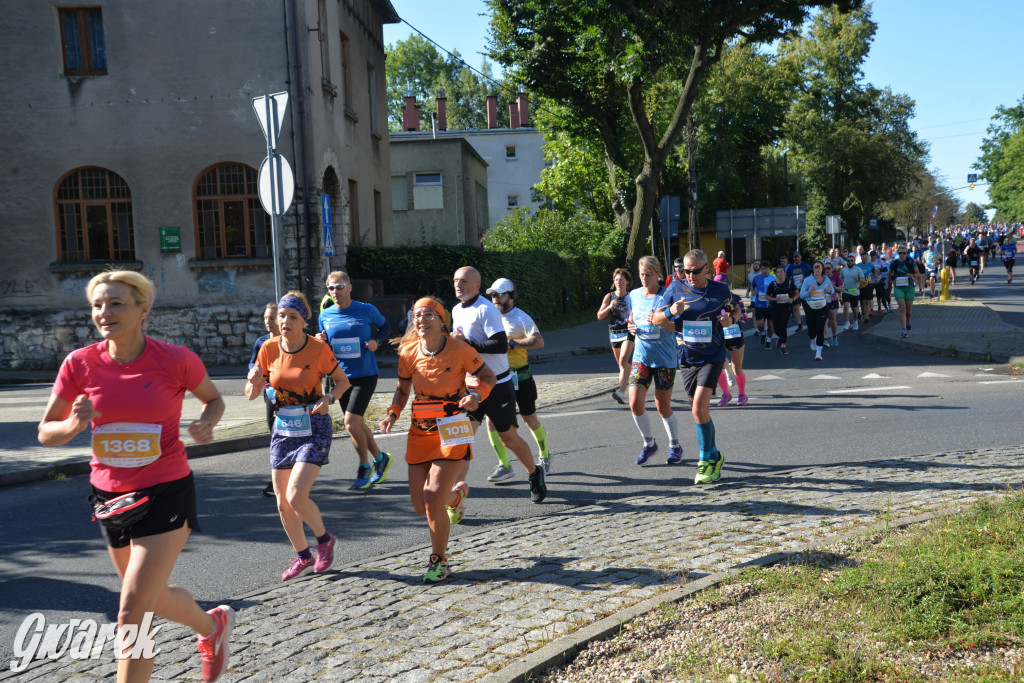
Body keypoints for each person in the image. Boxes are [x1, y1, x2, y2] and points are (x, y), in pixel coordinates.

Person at [38, 270, 233, 683]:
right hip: (109, 498)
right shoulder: (80, 363)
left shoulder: (175, 360)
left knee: (131, 609)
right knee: (151, 596)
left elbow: (214, 399)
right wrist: (72, 427)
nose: (104, 313)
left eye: (116, 304)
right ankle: (212, 627)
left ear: (144, 309)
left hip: (166, 490)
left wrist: (206, 422)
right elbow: (45, 432)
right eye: (97, 305)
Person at [379, 297, 497, 582]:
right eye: (417, 315)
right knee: (421, 505)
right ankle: (455, 497)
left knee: (432, 499)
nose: (421, 319)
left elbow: (488, 375)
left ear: (442, 321)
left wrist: (477, 395)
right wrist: (393, 412)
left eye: (429, 315)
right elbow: (402, 388)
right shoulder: (408, 351)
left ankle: (439, 560)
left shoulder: (459, 349)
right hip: (420, 431)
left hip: (452, 426)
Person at [247, 291, 351, 581]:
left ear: (303, 321)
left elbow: (343, 382)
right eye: (281, 316)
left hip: (314, 425)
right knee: (282, 502)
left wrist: (329, 398)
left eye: (292, 317)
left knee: (295, 495)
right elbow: (252, 393)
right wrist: (254, 382)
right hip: (283, 429)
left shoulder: (318, 349)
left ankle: (324, 539)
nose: (285, 321)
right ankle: (304, 556)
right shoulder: (267, 348)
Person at [451, 266, 547, 502]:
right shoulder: (455, 310)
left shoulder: (486, 310)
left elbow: (499, 344)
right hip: (471, 386)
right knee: (462, 439)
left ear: (476, 285)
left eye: (464, 281)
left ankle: (535, 474)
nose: (458, 285)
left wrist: (467, 343)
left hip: (497, 384)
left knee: (509, 438)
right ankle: (456, 492)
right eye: (455, 281)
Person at [653, 249, 739, 484]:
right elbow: (656, 319)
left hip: (713, 355)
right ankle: (715, 456)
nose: (690, 276)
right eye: (685, 271)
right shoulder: (676, 288)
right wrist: (671, 312)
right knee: (699, 411)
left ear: (706, 270)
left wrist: (730, 320)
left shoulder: (720, 290)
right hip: (687, 358)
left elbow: (737, 309)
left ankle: (704, 462)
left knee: (700, 407)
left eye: (695, 271)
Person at [317, 270, 394, 490]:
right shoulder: (326, 315)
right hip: (341, 379)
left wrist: (377, 341)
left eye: (340, 286)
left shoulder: (366, 309)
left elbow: (385, 327)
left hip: (365, 375)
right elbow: (323, 343)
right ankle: (380, 459)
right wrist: (320, 340)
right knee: (358, 424)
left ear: (350, 287)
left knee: (351, 423)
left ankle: (364, 466)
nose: (335, 291)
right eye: (331, 288)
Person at [486, 278, 553, 474]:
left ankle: (545, 454)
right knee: (492, 421)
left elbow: (539, 341)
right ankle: (504, 465)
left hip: (521, 377)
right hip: (497, 378)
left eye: (499, 294)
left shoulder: (520, 317)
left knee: (529, 419)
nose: (495, 299)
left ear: (511, 296)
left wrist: (513, 344)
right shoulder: (489, 316)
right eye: (492, 295)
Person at [626, 255, 683, 465]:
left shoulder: (668, 296)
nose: (644, 279)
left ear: (658, 275)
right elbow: (631, 319)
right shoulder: (633, 295)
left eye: (648, 275)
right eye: (641, 275)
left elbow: (679, 327)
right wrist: (630, 327)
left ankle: (675, 446)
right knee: (634, 403)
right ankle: (649, 444)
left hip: (664, 359)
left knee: (662, 406)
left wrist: (661, 323)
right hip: (641, 357)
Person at [250, 303, 279, 498]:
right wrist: (253, 371)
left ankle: (278, 479)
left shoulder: (289, 341)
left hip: (290, 394)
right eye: (266, 318)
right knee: (274, 432)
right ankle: (280, 476)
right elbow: (253, 361)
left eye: (271, 318)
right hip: (269, 393)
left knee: (286, 433)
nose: (268, 322)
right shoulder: (261, 342)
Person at [596, 268, 634, 405]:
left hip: (628, 332)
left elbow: (636, 312)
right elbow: (599, 316)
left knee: (623, 362)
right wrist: (609, 307)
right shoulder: (609, 296)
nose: (619, 282)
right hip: (614, 333)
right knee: (622, 366)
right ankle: (636, 377)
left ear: (627, 282)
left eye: (621, 280)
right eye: (616, 280)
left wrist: (632, 319)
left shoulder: (632, 296)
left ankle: (621, 393)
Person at [713, 274, 747, 406]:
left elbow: (742, 315)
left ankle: (742, 394)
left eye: (723, 283)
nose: (720, 286)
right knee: (717, 364)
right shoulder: (713, 299)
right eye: (718, 283)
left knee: (737, 367)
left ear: (727, 284)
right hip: (718, 334)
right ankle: (726, 394)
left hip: (734, 334)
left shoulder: (736, 298)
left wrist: (738, 316)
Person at [800, 261, 836, 361]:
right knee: (811, 329)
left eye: (819, 267)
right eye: (816, 267)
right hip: (810, 306)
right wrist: (810, 291)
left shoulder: (826, 279)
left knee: (820, 329)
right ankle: (812, 339)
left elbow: (832, 291)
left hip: (822, 306)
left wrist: (830, 291)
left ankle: (819, 352)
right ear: (813, 269)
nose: (818, 269)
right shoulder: (807, 280)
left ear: (822, 269)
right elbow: (802, 295)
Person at [889, 246, 921, 338]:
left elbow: (918, 275)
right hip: (898, 288)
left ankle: (908, 320)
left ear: (907, 253)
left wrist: (912, 275)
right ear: (897, 254)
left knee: (909, 311)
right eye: (900, 253)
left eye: (904, 253)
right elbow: (889, 274)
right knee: (902, 309)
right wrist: (887, 284)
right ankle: (904, 331)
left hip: (909, 288)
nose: (902, 255)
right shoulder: (894, 263)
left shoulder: (910, 262)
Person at [766, 266, 797, 355]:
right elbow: (767, 296)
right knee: (776, 328)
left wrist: (792, 299)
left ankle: (783, 346)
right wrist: (775, 299)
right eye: (778, 272)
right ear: (776, 274)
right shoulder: (773, 284)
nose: (780, 274)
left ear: (784, 273)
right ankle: (781, 338)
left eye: (781, 272)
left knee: (783, 326)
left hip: (786, 308)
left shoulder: (789, 283)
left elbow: (797, 293)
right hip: (775, 308)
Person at [751, 261, 775, 349]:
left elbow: (776, 288)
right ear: (760, 269)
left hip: (770, 304)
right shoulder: (756, 278)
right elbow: (752, 286)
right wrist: (753, 291)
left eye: (766, 268)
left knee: (770, 325)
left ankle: (768, 341)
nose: (764, 270)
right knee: (759, 324)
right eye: (762, 269)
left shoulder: (773, 278)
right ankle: (763, 333)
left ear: (769, 269)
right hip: (759, 304)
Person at [786, 251, 811, 331]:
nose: (797, 258)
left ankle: (810, 322)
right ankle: (799, 325)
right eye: (795, 257)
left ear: (801, 257)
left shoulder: (805, 265)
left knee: (806, 307)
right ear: (793, 258)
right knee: (796, 307)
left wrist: (805, 278)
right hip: (795, 290)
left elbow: (811, 273)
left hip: (804, 289)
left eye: (798, 256)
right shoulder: (790, 267)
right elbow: (787, 277)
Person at [839, 254, 865, 330]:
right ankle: (847, 323)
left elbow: (863, 280)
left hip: (854, 291)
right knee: (846, 306)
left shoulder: (858, 270)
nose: (850, 262)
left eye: (851, 261)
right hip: (846, 291)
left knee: (854, 308)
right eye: (848, 261)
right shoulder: (843, 270)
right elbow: (841, 279)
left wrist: (858, 280)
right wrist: (841, 286)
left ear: (854, 261)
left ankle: (855, 322)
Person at [824, 262, 842, 347]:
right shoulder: (821, 278)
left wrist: (834, 288)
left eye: (828, 268)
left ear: (832, 269)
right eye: (825, 268)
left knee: (833, 320)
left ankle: (834, 336)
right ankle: (825, 339)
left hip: (833, 300)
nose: (827, 270)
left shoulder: (835, 277)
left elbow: (842, 288)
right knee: (824, 320)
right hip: (823, 301)